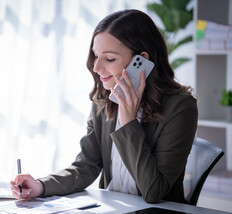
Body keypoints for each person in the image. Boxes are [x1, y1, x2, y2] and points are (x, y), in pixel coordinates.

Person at [10, 9, 197, 204]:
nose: (96, 67)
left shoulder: (181, 108)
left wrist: (128, 121)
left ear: (141, 61)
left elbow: (154, 191)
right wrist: (41, 186)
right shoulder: (104, 100)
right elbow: (86, 166)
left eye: (109, 59)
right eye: (95, 55)